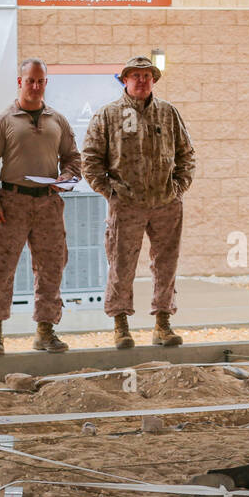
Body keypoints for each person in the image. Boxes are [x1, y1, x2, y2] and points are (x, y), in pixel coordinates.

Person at [82, 56, 195, 349]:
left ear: (153, 80)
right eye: (136, 76)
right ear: (125, 80)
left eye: (147, 76)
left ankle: (163, 323)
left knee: (166, 265)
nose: (142, 81)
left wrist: (179, 187)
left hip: (166, 203)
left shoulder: (168, 113)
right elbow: (91, 161)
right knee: (122, 265)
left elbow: (186, 154)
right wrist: (111, 193)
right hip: (127, 205)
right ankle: (121, 325)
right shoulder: (108, 115)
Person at [0, 58, 81, 355]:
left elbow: (74, 158)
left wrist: (67, 177)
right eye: (30, 80)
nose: (35, 86)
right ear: (19, 82)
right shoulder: (3, 122)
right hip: (11, 205)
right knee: (1, 267)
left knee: (51, 268)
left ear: (46, 83)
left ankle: (45, 332)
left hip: (48, 204)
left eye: (40, 81)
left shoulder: (57, 121)